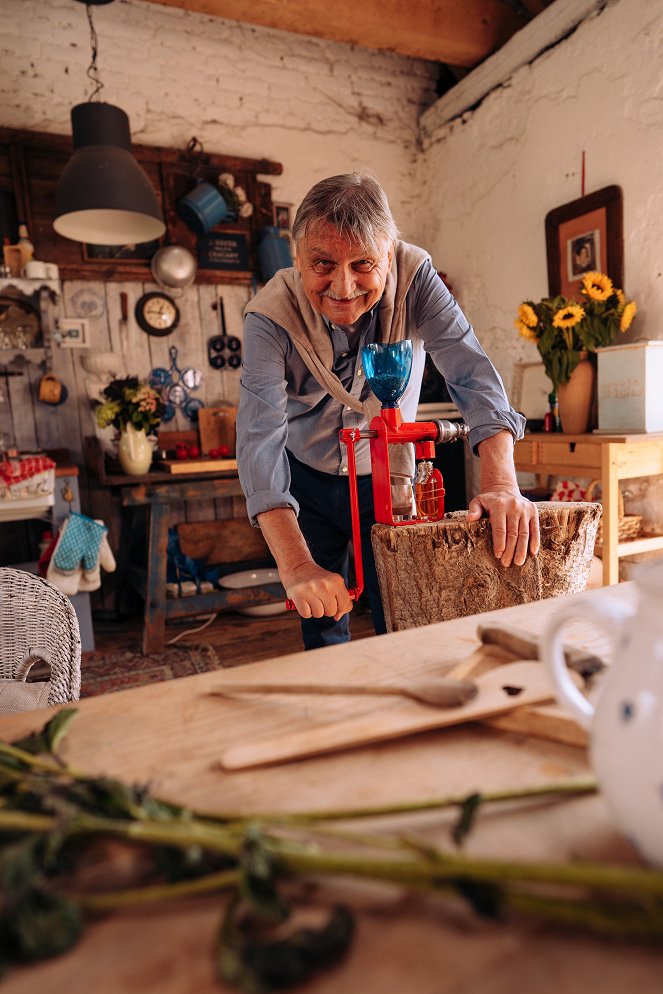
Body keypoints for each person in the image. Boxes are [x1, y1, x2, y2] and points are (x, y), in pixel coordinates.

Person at [236, 172, 539, 650]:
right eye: (322, 264)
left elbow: (471, 372)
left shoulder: (417, 277)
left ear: (389, 251)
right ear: (296, 259)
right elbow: (259, 438)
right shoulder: (269, 317)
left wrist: (501, 483)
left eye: (363, 264)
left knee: (402, 609)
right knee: (322, 618)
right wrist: (296, 567)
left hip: (387, 477)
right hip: (305, 481)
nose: (343, 286)